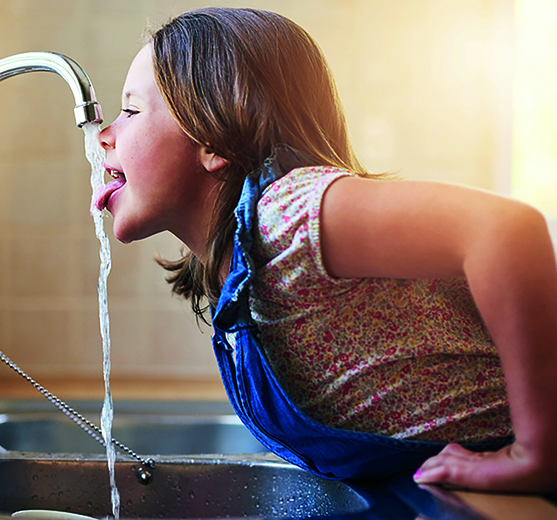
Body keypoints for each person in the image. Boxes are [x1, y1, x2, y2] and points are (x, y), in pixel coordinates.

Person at [93, 7, 557, 493]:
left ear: (212, 137)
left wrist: (537, 450)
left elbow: (504, 229)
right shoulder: (242, 271)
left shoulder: (289, 214)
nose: (105, 134)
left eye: (130, 111)